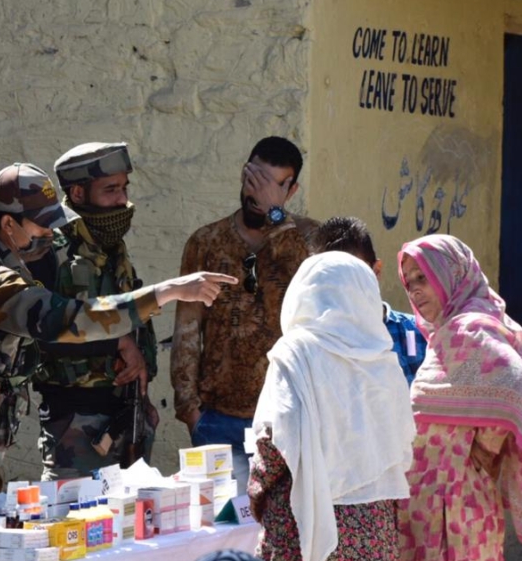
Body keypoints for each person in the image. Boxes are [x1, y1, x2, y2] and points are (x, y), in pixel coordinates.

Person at [0, 162, 236, 505]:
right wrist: (166, 292)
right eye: (42, 227)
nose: (51, 235)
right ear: (8, 224)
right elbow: (69, 320)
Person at [396, 234, 522, 560]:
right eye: (409, 283)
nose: (416, 290)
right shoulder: (446, 332)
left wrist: (487, 445)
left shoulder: (470, 327)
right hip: (426, 499)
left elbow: (516, 382)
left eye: (424, 277)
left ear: (452, 273)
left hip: (456, 503)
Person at [171, 136, 320, 493]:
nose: (258, 195)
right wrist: (190, 410)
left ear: (292, 188)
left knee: (283, 533)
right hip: (217, 421)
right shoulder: (206, 242)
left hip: (289, 420)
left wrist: (276, 216)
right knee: (221, 531)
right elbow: (187, 329)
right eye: (254, 182)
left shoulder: (311, 239)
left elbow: (317, 302)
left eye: (272, 187)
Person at [248, 252, 415, 561]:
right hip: (374, 527)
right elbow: (401, 443)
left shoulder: (296, 353)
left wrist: (257, 493)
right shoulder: (383, 359)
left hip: (302, 523)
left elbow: (275, 440)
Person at [29, 142, 160, 481]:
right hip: (74, 422)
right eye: (111, 189)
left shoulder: (110, 244)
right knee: (72, 526)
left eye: (125, 188)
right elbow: (38, 336)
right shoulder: (49, 248)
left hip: (127, 411)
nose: (122, 200)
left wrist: (143, 401)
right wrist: (115, 344)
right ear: (78, 192)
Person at [315, 216, 427, 383]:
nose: (345, 287)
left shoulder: (415, 332)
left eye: (355, 274)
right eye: (333, 278)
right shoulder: (319, 343)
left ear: (377, 270)